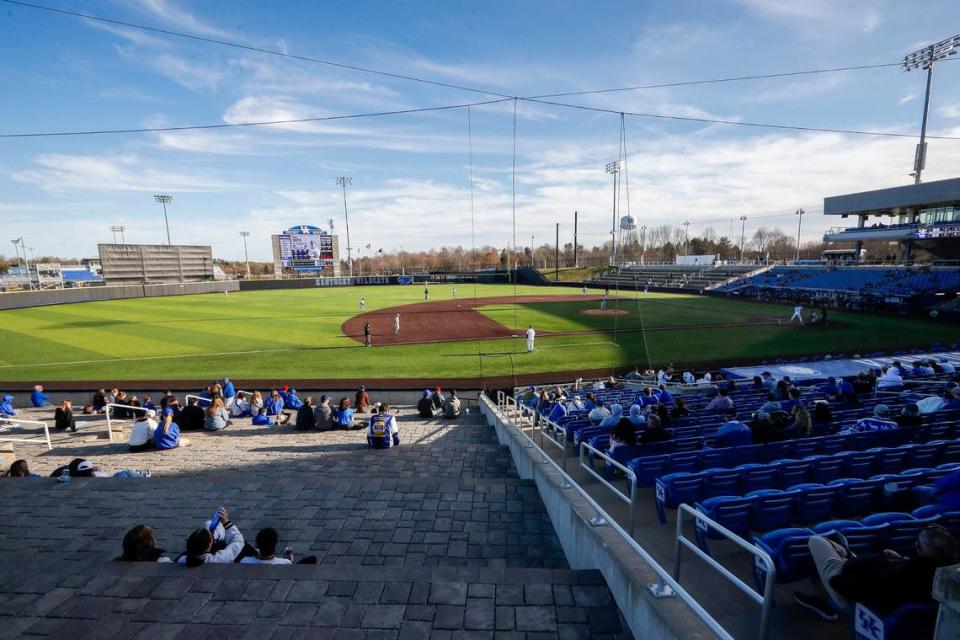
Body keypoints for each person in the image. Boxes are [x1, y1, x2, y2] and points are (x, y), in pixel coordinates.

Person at [796, 526, 959, 621]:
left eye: (918, 545)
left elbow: (842, 585)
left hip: (856, 601)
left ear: (918, 549)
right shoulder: (949, 579)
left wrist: (879, 561)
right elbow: (915, 573)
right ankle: (844, 551)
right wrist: (899, 560)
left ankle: (843, 552)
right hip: (885, 589)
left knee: (816, 541)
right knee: (848, 555)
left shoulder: (899, 576)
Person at [178, 507, 247, 566]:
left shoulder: (182, 559)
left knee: (208, 523)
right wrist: (226, 522)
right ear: (210, 545)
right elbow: (238, 541)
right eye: (211, 536)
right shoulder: (219, 559)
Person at [240, 527, 317, 565]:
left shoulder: (245, 560)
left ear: (257, 545)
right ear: (275, 544)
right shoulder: (284, 563)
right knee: (312, 559)